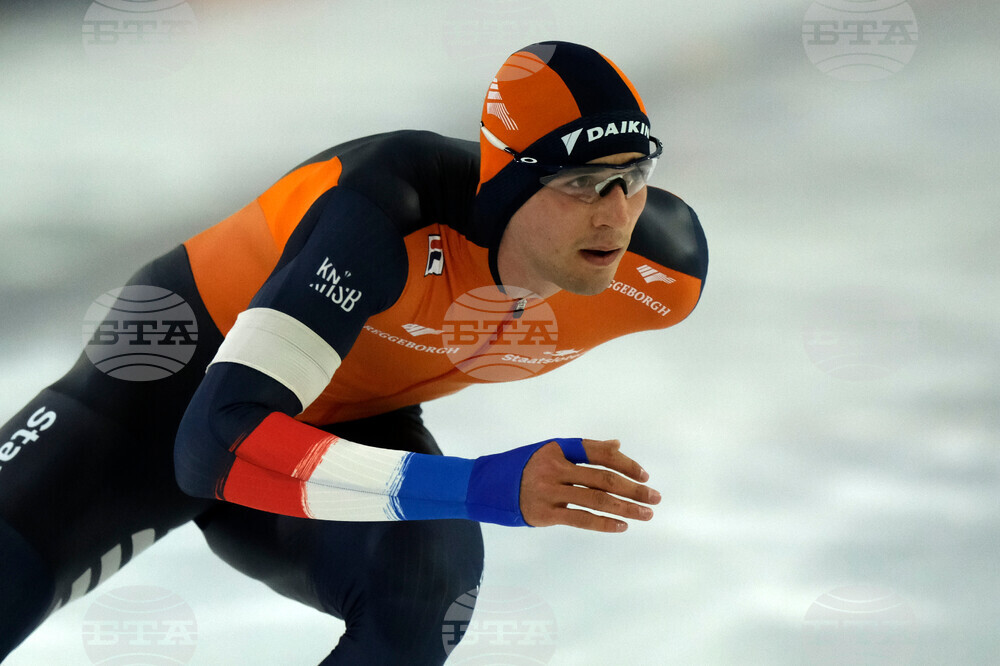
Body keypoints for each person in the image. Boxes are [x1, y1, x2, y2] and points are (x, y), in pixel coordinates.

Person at [0, 41, 707, 664]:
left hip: (343, 408)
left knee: (428, 579)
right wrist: (481, 484)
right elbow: (214, 442)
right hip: (167, 387)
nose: (614, 213)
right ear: (509, 179)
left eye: (632, 176)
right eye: (580, 182)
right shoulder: (388, 207)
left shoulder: (662, 275)